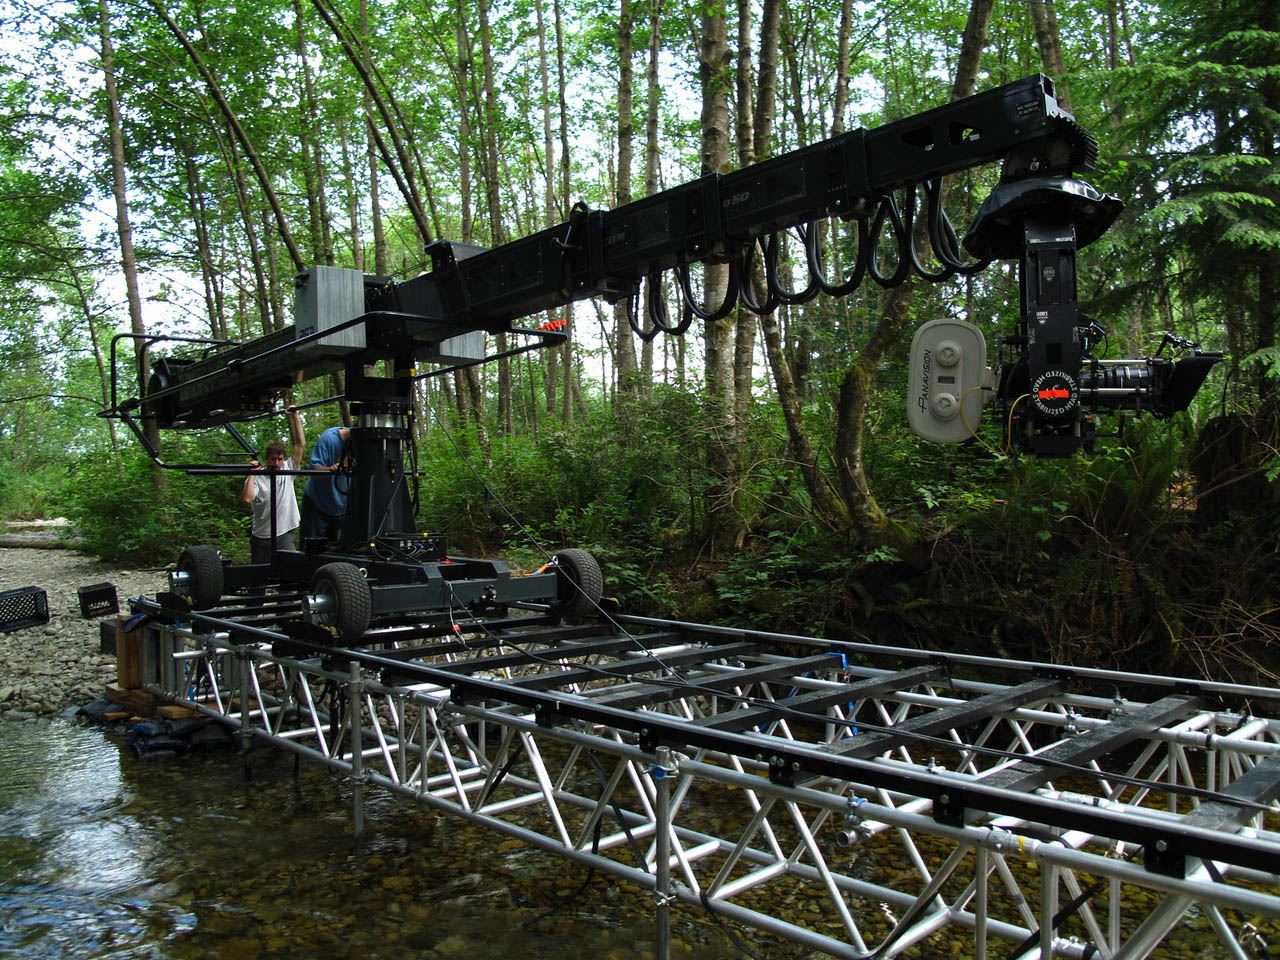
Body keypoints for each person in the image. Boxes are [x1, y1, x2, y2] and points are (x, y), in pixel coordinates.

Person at [242, 405, 305, 563]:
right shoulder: (258, 476)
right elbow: (247, 498)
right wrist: (252, 473)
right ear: (267, 458)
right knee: (258, 579)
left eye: (280, 459)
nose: (277, 463)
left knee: (290, 574)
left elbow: (299, 444)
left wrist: (295, 415)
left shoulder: (288, 470)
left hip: (285, 532)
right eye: (273, 459)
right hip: (261, 536)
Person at [300, 424, 351, 544]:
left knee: (342, 550)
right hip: (318, 504)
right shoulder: (329, 438)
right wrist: (331, 469)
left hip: (343, 507)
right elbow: (313, 471)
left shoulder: (366, 445)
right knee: (312, 549)